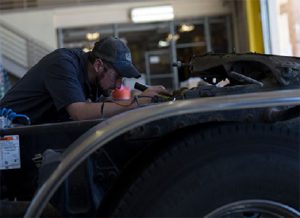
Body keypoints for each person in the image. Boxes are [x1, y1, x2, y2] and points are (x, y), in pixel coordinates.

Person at [0, 36, 170, 124]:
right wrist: (138, 102)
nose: (119, 85)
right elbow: (80, 113)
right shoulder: (63, 63)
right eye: (117, 76)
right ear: (98, 65)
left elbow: (102, 108)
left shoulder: (94, 82)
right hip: (10, 133)